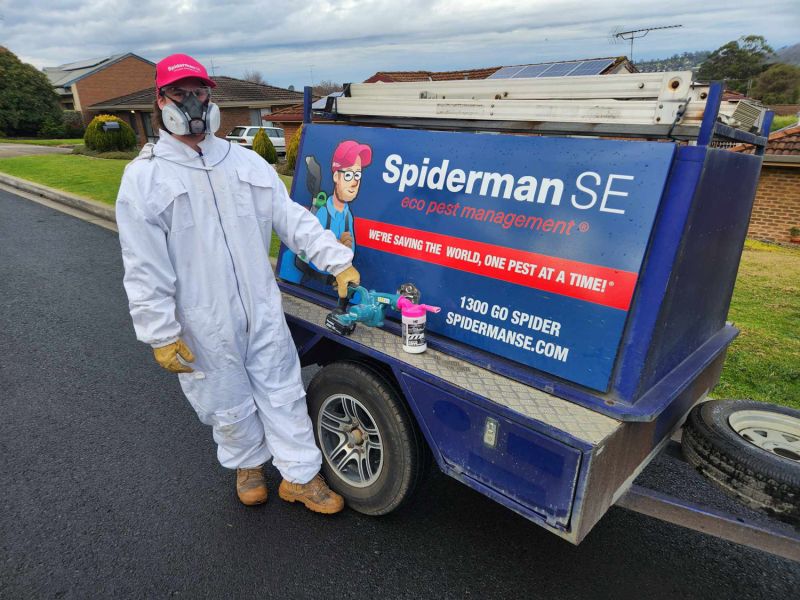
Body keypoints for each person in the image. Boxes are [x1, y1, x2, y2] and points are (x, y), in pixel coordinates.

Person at [115, 53, 360, 511]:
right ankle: (247, 466)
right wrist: (160, 333)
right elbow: (144, 264)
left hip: (261, 307)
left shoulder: (245, 164)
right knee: (225, 399)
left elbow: (293, 221)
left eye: (200, 92)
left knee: (284, 392)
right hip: (202, 318)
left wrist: (337, 261)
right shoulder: (145, 179)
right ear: (159, 100)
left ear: (212, 97)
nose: (192, 102)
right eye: (179, 93)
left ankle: (300, 477)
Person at [315, 140, 373, 254]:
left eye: (357, 175)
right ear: (336, 176)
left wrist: (346, 248)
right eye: (348, 175)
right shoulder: (323, 213)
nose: (355, 182)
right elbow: (311, 250)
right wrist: (335, 246)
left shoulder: (347, 215)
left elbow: (350, 252)